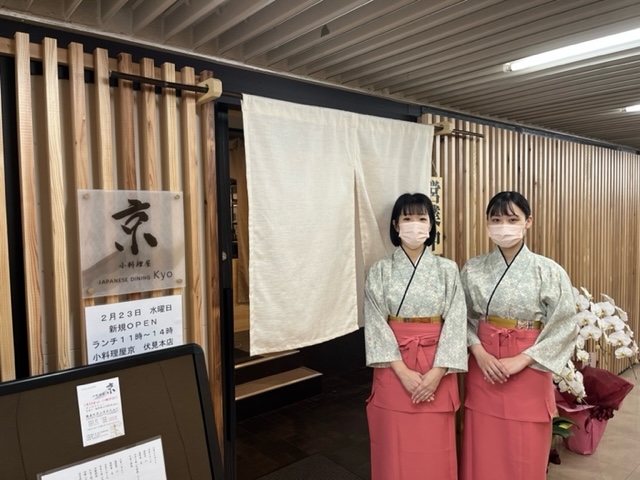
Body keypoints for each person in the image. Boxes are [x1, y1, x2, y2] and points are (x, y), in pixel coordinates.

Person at [459, 191, 577, 480]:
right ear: (487, 223)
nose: (504, 226)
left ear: (528, 222)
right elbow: (459, 317)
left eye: (512, 219)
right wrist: (478, 351)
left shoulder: (548, 270)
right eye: (496, 219)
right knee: (482, 442)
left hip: (529, 365)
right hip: (484, 364)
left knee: (525, 443)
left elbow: (565, 324)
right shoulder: (473, 268)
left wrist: (522, 360)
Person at [364, 192, 467, 480]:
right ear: (396, 226)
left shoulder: (447, 269)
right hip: (394, 364)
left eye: (422, 218)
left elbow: (457, 322)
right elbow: (375, 322)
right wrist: (402, 371)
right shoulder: (380, 271)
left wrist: (438, 371)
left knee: (435, 446)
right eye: (407, 218)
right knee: (392, 443)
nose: (414, 225)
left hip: (437, 362)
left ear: (431, 226)